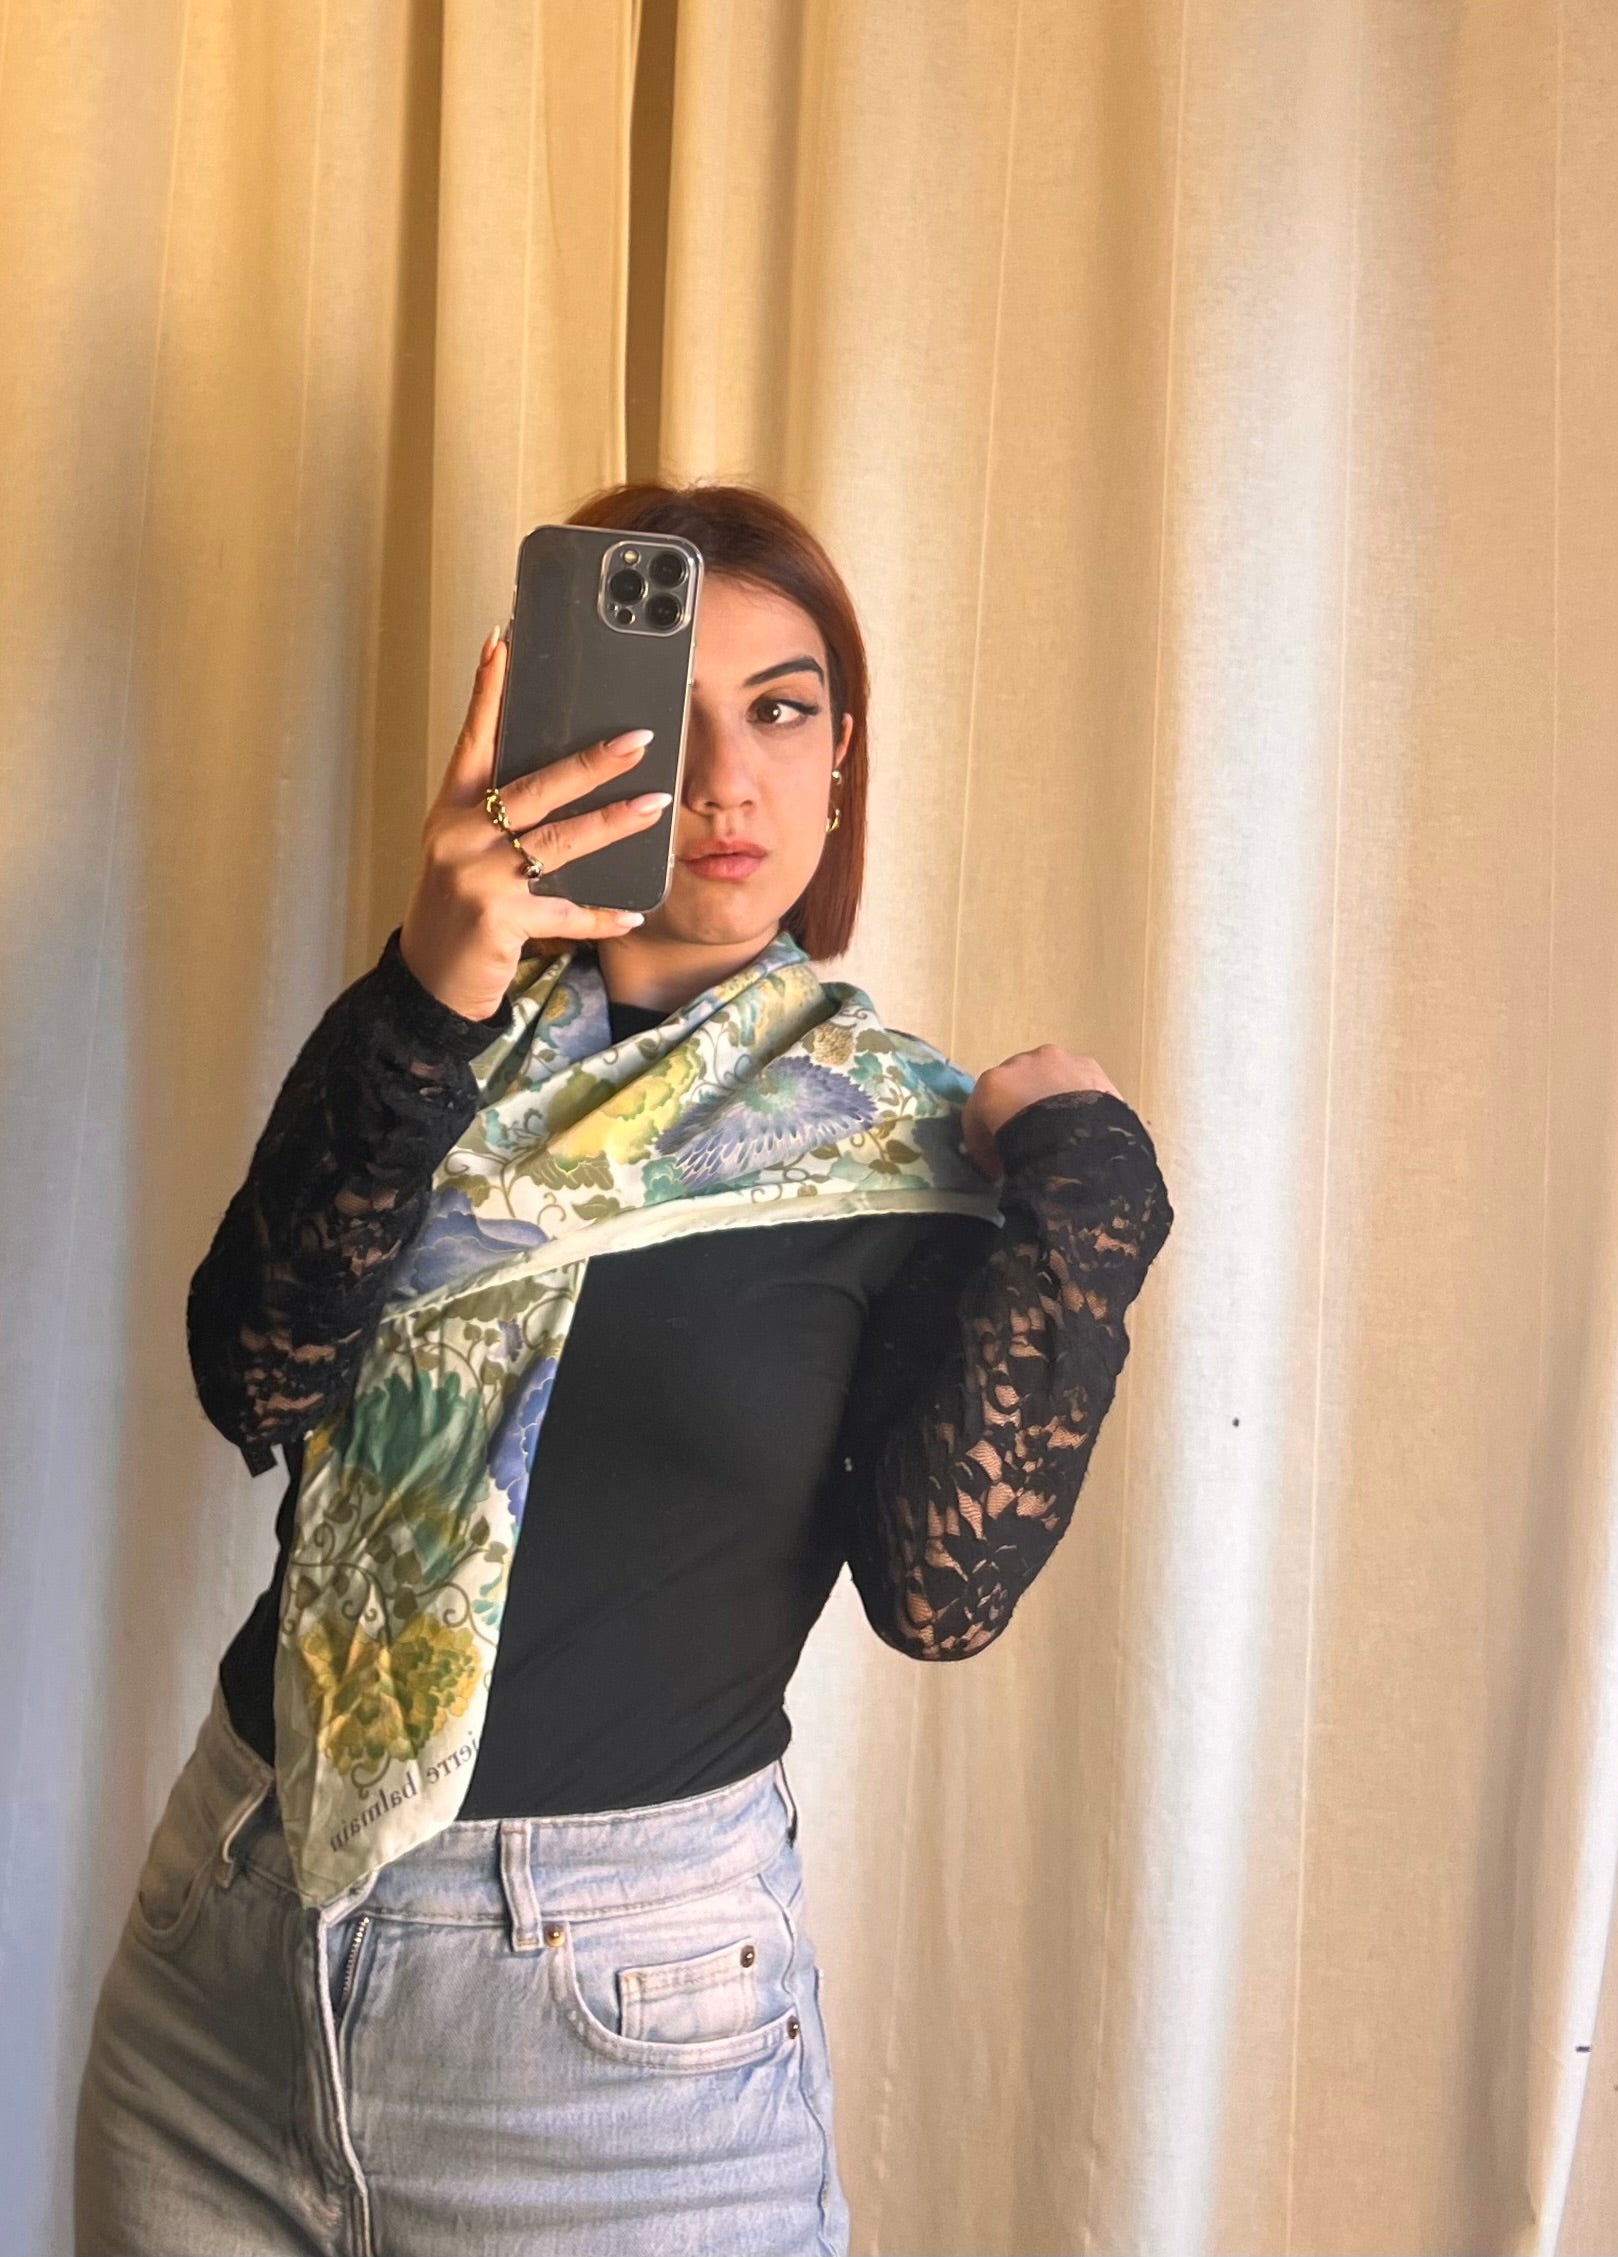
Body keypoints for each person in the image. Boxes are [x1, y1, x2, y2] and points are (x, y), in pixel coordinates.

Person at [72, 479, 1174, 2257]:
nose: (729, 780)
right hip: (230, 1954)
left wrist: (1091, 1192)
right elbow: (251, 1376)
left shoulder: (906, 1155)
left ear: (842, 758)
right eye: (671, 719)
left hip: (615, 2042)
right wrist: (427, 987)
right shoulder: (429, 1051)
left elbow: (938, 1594)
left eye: (784, 710)